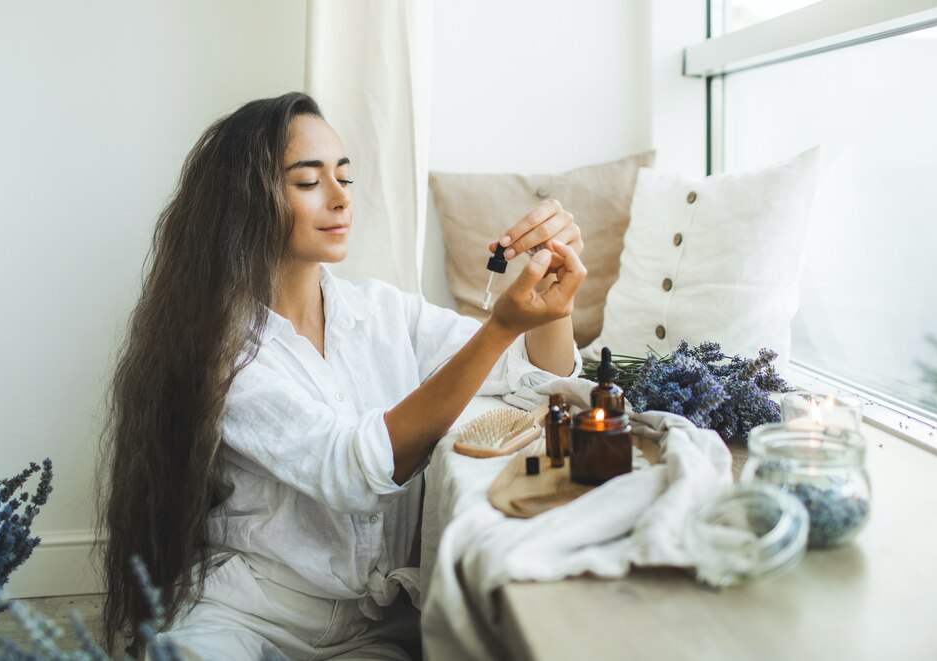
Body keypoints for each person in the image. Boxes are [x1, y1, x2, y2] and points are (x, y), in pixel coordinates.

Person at [97, 91, 586, 660]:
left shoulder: (384, 312)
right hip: (253, 615)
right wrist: (500, 326)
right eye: (308, 183)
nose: (339, 199)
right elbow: (354, 469)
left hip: (375, 631)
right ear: (245, 202)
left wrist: (556, 300)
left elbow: (527, 374)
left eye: (345, 179)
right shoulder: (221, 350)